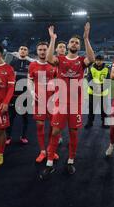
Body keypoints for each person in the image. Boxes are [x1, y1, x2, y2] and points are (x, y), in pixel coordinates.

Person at [40, 23, 96, 180]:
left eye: (76, 43)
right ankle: (49, 163)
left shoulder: (81, 61)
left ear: (79, 46)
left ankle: (70, 160)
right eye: (72, 42)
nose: (74, 44)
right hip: (60, 102)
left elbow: (91, 58)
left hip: (76, 104)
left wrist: (86, 38)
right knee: (56, 131)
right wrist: (52, 39)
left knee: (73, 132)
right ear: (68, 44)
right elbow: (49, 58)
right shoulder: (61, 59)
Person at [28, 42, 60, 163]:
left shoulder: (54, 64)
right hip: (39, 100)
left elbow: (59, 81)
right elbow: (29, 80)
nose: (42, 52)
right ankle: (42, 151)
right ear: (37, 51)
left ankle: (51, 150)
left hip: (52, 101)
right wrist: (31, 93)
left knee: (53, 127)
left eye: (44, 49)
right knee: (40, 125)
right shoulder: (32, 65)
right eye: (40, 49)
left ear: (48, 50)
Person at [7, 46, 34, 145]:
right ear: (18, 51)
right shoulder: (13, 63)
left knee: (25, 118)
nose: (22, 50)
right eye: (21, 49)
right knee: (11, 117)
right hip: (13, 95)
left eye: (25, 49)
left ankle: (23, 136)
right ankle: (8, 137)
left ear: (27, 52)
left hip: (26, 95)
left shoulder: (31, 64)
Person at [85, 55, 110, 129]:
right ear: (95, 60)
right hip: (92, 92)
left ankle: (104, 123)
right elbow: (89, 79)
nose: (99, 61)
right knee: (91, 109)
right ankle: (90, 122)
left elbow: (108, 81)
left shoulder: (107, 69)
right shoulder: (91, 68)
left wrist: (101, 89)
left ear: (103, 60)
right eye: (97, 60)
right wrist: (95, 88)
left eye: (100, 60)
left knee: (104, 109)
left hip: (103, 93)